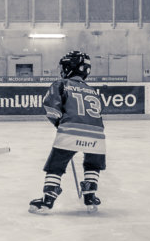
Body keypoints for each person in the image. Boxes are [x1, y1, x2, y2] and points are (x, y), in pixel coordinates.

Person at [28, 50, 106, 214]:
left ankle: (48, 200)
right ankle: (90, 196)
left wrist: (59, 124)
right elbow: (98, 114)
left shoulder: (61, 84)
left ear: (70, 68)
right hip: (98, 136)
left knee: (55, 166)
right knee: (93, 164)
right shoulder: (92, 91)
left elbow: (51, 109)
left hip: (70, 132)